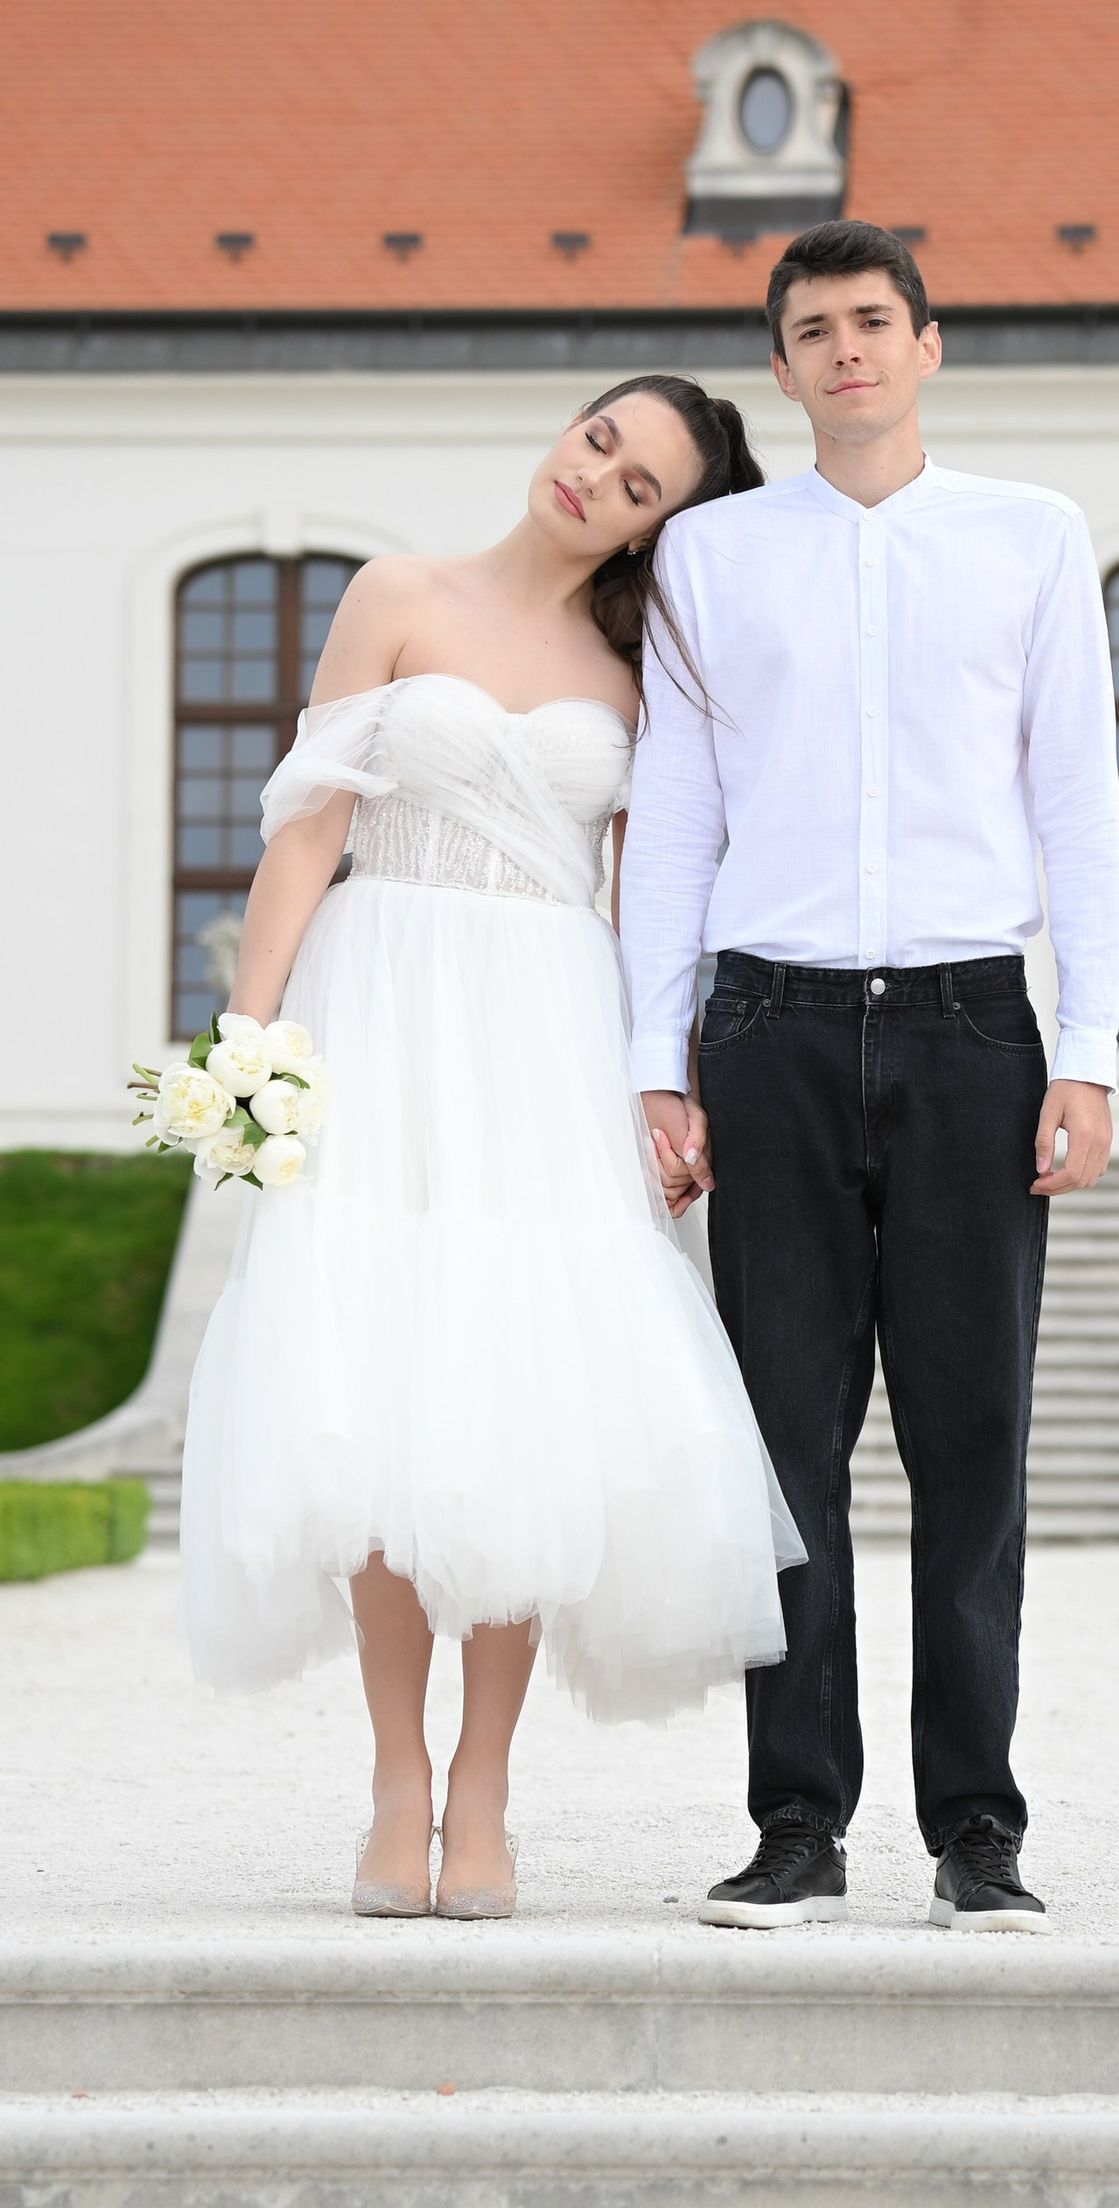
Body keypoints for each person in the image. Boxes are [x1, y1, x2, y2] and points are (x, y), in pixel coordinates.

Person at [177, 379, 799, 1920]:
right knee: (371, 1395)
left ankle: (490, 1789)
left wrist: (667, 1081)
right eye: (600, 440)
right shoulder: (397, 594)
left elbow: (650, 903)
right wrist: (246, 1055)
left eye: (642, 482)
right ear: (566, 433)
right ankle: (398, 1779)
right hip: (376, 1009)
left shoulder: (644, 673)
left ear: (664, 524)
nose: (600, 479)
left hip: (543, 1032)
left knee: (526, 1402)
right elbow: (307, 833)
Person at [621, 223, 1119, 1933]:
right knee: (782, 1448)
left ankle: (977, 1831)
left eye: (870, 321)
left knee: (975, 1444)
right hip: (765, 1029)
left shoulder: (1030, 540)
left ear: (928, 343)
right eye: (811, 330)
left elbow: (1079, 803)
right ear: (779, 368)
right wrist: (656, 1059)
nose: (844, 350)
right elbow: (677, 819)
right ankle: (798, 1824)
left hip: (975, 1031)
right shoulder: (710, 556)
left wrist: (1097, 1049)